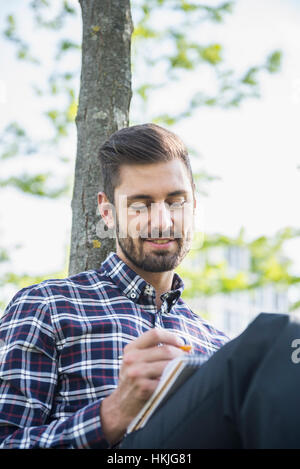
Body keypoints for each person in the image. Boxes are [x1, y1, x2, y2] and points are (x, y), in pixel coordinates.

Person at [1, 124, 300, 449]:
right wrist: (113, 414)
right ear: (108, 212)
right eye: (140, 204)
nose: (162, 222)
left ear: (193, 204)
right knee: (280, 335)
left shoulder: (218, 346)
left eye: (175, 202)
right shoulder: (47, 306)